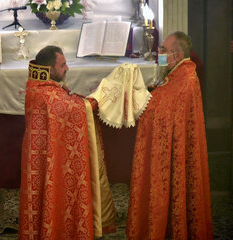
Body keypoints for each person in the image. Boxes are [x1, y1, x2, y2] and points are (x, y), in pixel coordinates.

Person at [19, 45, 116, 240]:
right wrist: (101, 96)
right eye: (63, 65)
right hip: (46, 159)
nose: (67, 69)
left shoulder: (40, 84)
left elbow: (70, 103)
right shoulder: (45, 93)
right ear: (50, 68)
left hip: (48, 157)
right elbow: (75, 109)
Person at [126, 31, 213, 239]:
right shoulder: (178, 74)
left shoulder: (185, 79)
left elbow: (162, 113)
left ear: (176, 53)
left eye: (163, 50)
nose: (160, 53)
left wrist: (142, 101)